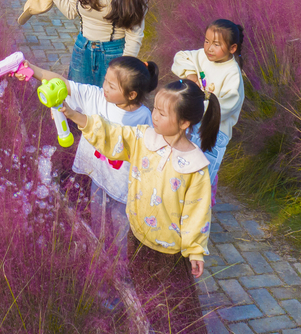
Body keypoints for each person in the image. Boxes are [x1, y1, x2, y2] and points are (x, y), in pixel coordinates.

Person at [60, 80, 217, 334]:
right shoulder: (143, 138)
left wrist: (196, 250)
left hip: (168, 251)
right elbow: (112, 135)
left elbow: (197, 212)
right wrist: (77, 116)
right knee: (145, 293)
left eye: (162, 113)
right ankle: (146, 325)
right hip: (137, 236)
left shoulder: (194, 166)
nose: (154, 115)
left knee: (175, 304)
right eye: (154, 108)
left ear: (184, 123)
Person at [23, 57, 154, 264]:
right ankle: (99, 263)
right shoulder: (96, 98)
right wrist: (30, 67)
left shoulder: (144, 117)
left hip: (124, 188)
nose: (104, 87)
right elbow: (62, 83)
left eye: (111, 86)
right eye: (105, 81)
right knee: (98, 223)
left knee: (120, 231)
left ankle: (119, 269)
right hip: (99, 179)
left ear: (131, 94)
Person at [171, 20, 245, 199]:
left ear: (232, 48)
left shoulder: (232, 74)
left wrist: (194, 109)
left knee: (202, 179)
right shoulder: (202, 57)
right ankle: (178, 209)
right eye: (206, 41)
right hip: (194, 124)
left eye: (216, 44)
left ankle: (199, 215)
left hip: (214, 133)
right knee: (182, 171)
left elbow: (224, 106)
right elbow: (181, 57)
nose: (209, 48)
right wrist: (191, 74)